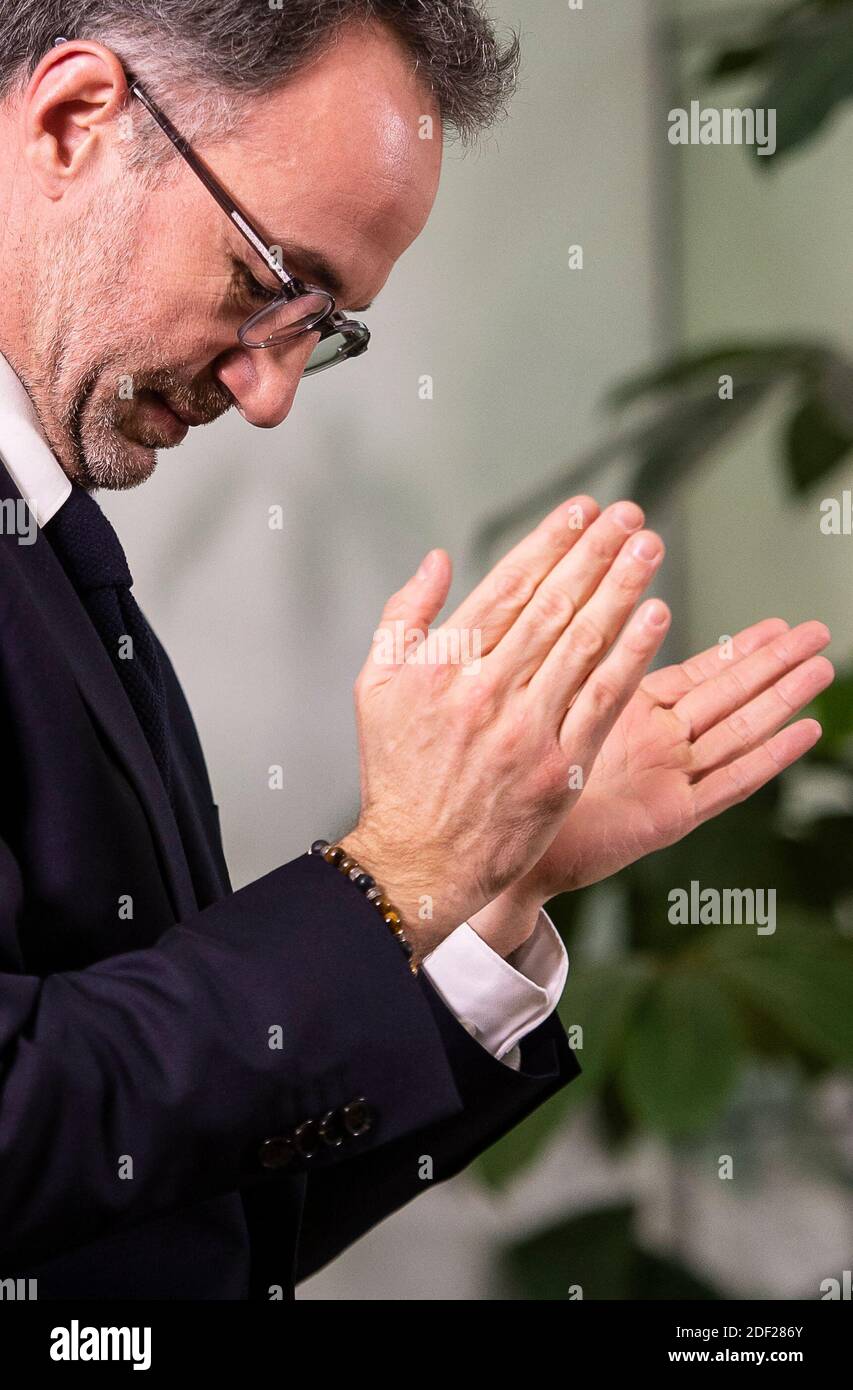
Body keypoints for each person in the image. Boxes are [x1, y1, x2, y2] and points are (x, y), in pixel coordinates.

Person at [0, 2, 833, 1300]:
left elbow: (177, 1203)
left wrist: (487, 878)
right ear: (75, 120)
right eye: (266, 283)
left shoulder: (59, 554)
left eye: (317, 329)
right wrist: (400, 869)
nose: (268, 395)